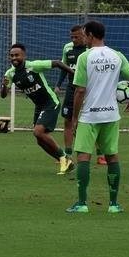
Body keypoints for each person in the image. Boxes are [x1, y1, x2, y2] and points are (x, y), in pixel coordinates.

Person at [65, 20, 129, 214]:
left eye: (83, 34)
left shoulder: (85, 57)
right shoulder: (117, 55)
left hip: (90, 115)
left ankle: (82, 203)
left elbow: (80, 90)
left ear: (90, 35)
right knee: (112, 157)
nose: (82, 38)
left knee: (83, 156)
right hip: (111, 114)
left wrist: (74, 119)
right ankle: (114, 205)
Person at [0, 43, 74, 172]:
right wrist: (4, 86)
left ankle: (64, 157)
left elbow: (57, 63)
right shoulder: (10, 73)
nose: (14, 58)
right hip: (39, 106)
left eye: (17, 55)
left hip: (51, 103)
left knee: (38, 132)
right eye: (11, 56)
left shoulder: (33, 66)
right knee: (40, 140)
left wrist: (74, 74)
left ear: (24, 55)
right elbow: (3, 95)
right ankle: (66, 162)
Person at [58, 23, 87, 168]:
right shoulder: (67, 48)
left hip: (88, 89)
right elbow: (64, 67)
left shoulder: (90, 49)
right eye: (72, 37)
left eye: (77, 37)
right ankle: (68, 154)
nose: (74, 39)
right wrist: (58, 85)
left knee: (93, 121)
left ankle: (101, 155)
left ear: (84, 35)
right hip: (71, 88)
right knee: (67, 121)